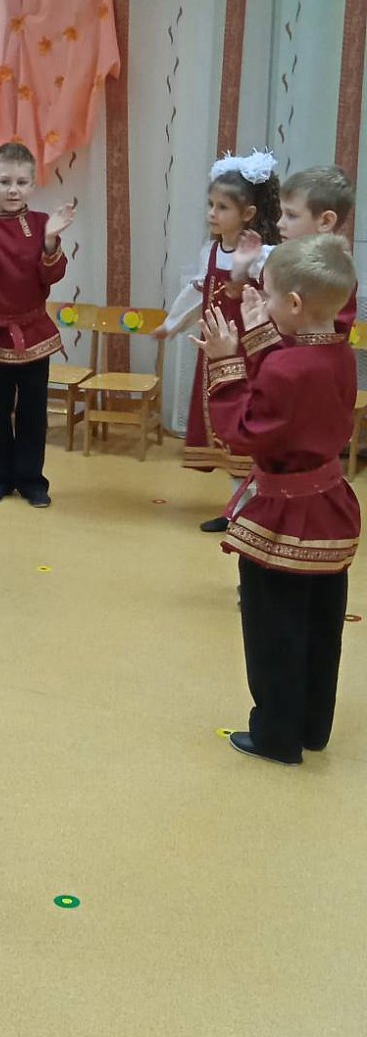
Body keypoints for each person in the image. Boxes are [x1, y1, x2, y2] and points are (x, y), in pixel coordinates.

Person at [195, 235, 360, 764]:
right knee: (319, 627)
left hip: (287, 517)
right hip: (329, 508)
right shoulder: (338, 350)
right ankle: (311, 726)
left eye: (267, 297)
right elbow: (292, 377)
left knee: (274, 631)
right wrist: (260, 331)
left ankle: (275, 737)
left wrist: (225, 363)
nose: (261, 303)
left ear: (292, 303)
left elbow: (246, 430)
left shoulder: (291, 369)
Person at [156, 150, 281, 531]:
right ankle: (237, 510)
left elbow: (276, 303)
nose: (212, 213)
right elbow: (197, 293)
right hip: (217, 353)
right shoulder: (210, 251)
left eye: (222, 207)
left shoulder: (263, 255)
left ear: (248, 213)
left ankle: (255, 511)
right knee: (226, 429)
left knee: (248, 427)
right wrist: (171, 324)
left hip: (250, 354)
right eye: (210, 205)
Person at [0, 141, 75, 507]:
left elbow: (51, 275)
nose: (13, 190)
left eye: (22, 182)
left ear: (32, 185)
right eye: (5, 181)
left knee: (33, 412)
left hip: (34, 331)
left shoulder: (40, 225)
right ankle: (0, 477)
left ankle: (32, 480)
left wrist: (51, 240)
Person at [274, 166, 358, 336]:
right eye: (281, 213)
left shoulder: (336, 271)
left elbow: (332, 337)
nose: (279, 223)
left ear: (326, 221)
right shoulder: (281, 257)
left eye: (291, 215)